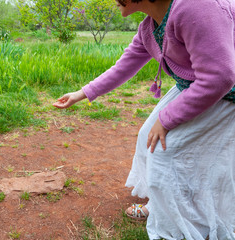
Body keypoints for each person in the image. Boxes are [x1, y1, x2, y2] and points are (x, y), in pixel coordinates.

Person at [53, 0, 235, 239]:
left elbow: (220, 77)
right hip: (195, 88)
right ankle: (160, 204)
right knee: (146, 137)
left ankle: (183, 226)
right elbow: (124, 66)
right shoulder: (150, 27)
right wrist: (82, 93)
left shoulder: (195, 6)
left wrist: (167, 118)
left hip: (225, 94)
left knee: (166, 151)